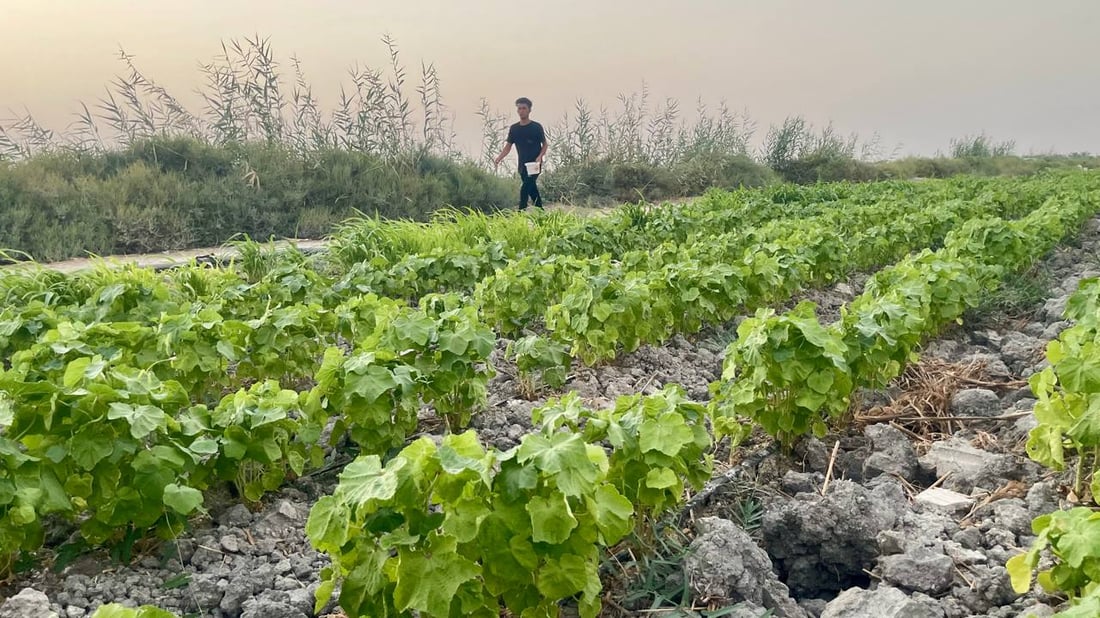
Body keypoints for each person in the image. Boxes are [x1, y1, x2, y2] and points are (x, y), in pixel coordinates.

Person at [494, 97, 548, 210]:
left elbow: (545, 145)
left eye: (524, 108)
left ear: (529, 110)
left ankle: (520, 214)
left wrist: (539, 157)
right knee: (532, 190)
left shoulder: (536, 127)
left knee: (524, 189)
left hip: (534, 165)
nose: (521, 110)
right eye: (519, 108)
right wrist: (499, 158)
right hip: (522, 165)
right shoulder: (514, 129)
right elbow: (508, 147)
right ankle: (541, 212)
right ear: (517, 110)